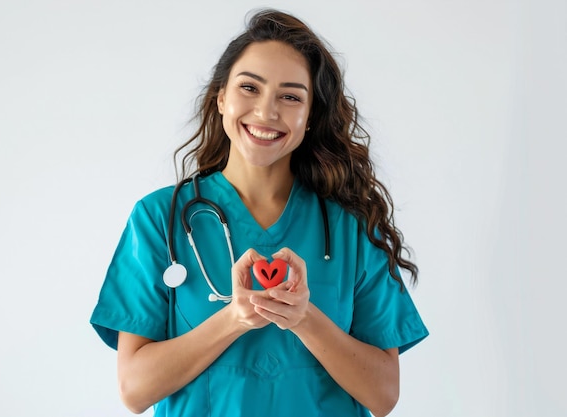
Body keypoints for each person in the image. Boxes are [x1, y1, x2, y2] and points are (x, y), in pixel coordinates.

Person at [90, 8, 428, 417]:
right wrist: (234, 317)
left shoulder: (349, 226)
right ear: (220, 98)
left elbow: (383, 395)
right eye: (250, 88)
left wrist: (304, 318)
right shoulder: (160, 218)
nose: (267, 112)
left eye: (290, 96)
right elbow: (134, 391)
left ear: (310, 118)